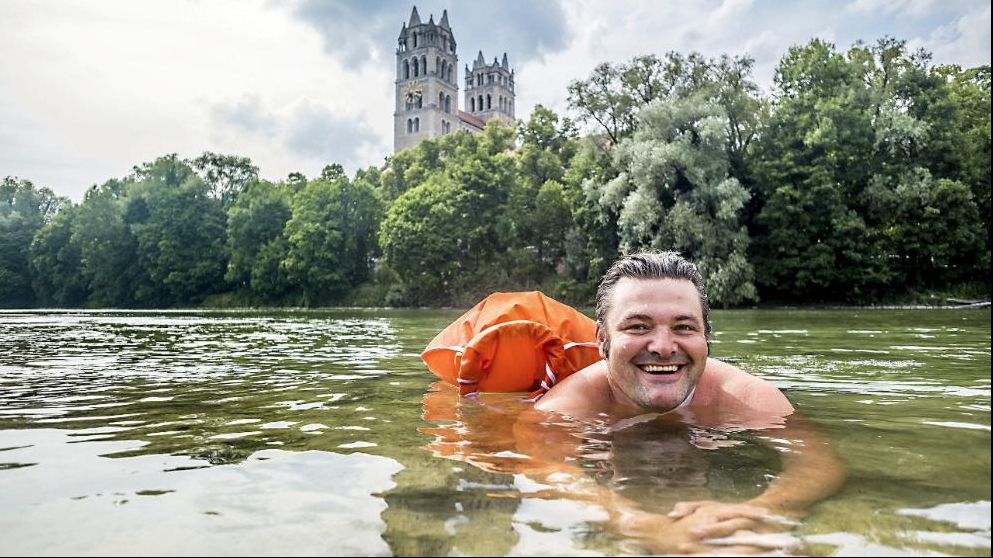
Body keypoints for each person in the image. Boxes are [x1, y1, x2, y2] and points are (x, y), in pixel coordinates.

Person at [520, 250, 845, 553]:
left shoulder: (745, 396)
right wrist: (627, 520)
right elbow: (544, 467)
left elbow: (817, 462)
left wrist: (762, 510)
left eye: (684, 327)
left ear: (706, 338)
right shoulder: (565, 408)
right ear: (602, 340)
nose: (663, 346)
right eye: (638, 326)